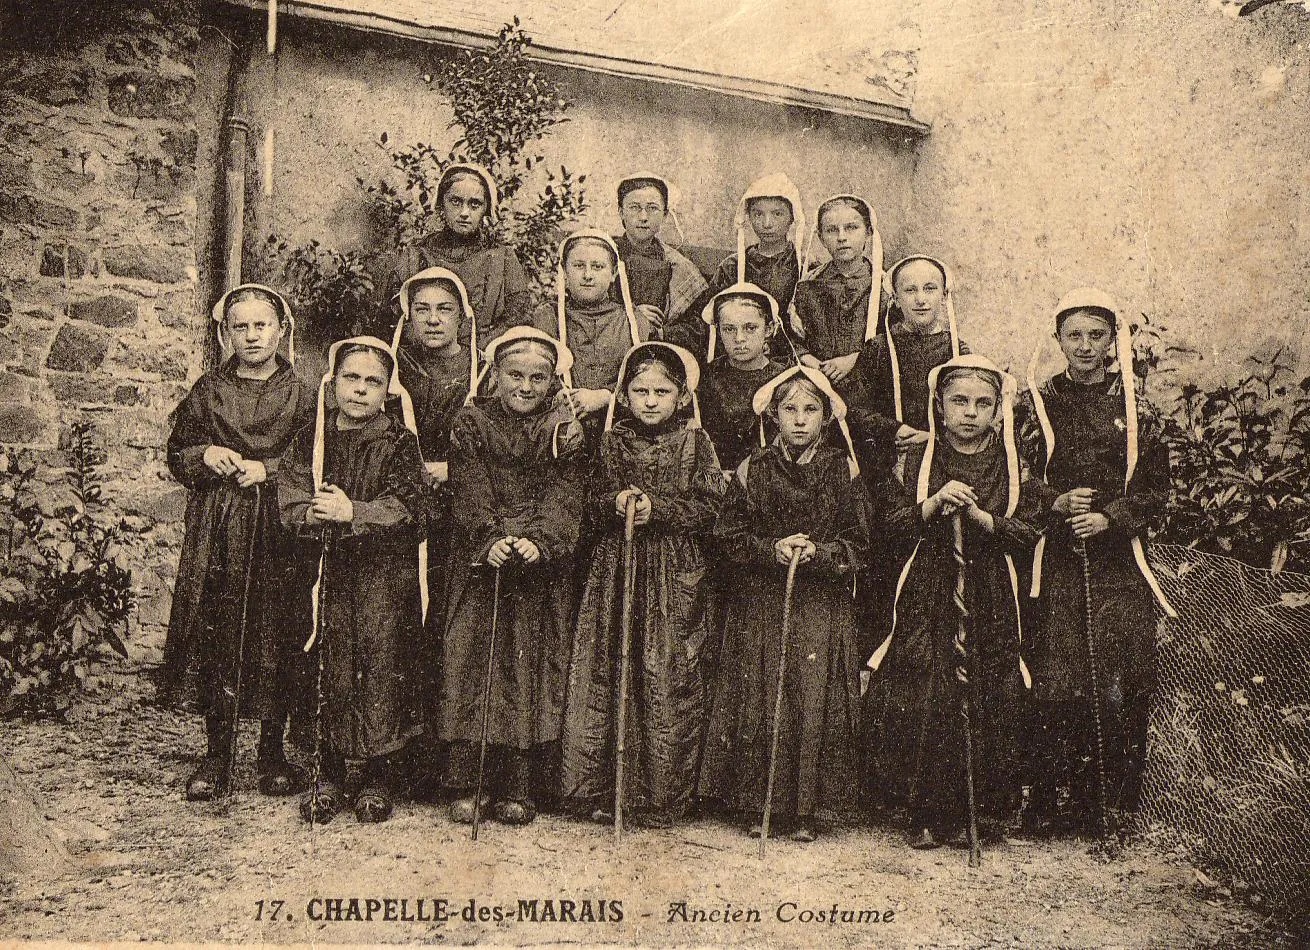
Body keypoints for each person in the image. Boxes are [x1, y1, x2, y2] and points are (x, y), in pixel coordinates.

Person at [864, 356, 1047, 850]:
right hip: (929, 584)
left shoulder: (1013, 463)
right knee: (925, 681)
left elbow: (1030, 528)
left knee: (986, 682)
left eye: (982, 404)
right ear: (940, 409)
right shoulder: (918, 459)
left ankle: (976, 809)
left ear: (998, 411)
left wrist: (987, 521)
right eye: (959, 402)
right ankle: (923, 807)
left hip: (988, 587)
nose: (970, 412)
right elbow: (888, 524)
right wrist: (931, 505)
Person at [1018, 288, 1176, 836]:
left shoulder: (1137, 407)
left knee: (1119, 680)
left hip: (1118, 563)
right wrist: (1053, 503)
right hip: (1057, 558)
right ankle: (1047, 800)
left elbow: (1160, 489)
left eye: (1096, 335)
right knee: (1055, 679)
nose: (1085, 347)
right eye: (1074, 336)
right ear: (1058, 339)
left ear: (1114, 340)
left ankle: (1110, 805)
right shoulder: (1035, 403)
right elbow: (1016, 473)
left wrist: (1113, 517)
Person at [699, 365, 872, 843]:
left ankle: (807, 809)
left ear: (826, 418)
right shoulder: (752, 467)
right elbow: (728, 535)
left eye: (810, 410)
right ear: (773, 415)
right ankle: (761, 802)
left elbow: (859, 542)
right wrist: (768, 548)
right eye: (789, 410)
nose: (799, 420)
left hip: (820, 604)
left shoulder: (843, 467)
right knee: (762, 694)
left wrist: (820, 552)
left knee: (811, 696)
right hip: (762, 601)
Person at [560, 342, 725, 827]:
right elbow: (586, 503)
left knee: (665, 672)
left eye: (662, 391)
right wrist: (615, 502)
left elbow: (713, 508)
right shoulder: (610, 441)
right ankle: (600, 790)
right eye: (640, 391)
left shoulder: (699, 444)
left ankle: (661, 795)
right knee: (609, 668)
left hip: (675, 570)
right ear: (624, 394)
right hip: (618, 568)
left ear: (681, 396)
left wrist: (662, 510)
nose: (651, 401)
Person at [161, 284, 314, 801]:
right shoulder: (207, 389)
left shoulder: (303, 393)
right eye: (240, 327)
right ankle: (217, 753)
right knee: (217, 628)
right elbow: (178, 449)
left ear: (280, 330)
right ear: (224, 333)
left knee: (279, 627)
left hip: (278, 529)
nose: (251, 336)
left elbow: (311, 460)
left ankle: (272, 754)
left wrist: (267, 469)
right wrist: (205, 455)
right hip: (218, 527)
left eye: (261, 326)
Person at [438, 326, 585, 826]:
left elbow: (566, 494)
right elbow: (468, 486)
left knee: (529, 671)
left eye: (537, 378)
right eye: (514, 375)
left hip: (537, 571)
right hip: (481, 564)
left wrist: (539, 542)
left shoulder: (564, 432)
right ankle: (467, 779)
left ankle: (519, 783)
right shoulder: (471, 422)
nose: (525, 387)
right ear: (495, 375)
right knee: (471, 663)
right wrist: (489, 537)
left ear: (552, 382)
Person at [280, 337, 427, 823]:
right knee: (328, 660)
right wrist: (309, 513)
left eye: (372, 382)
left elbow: (409, 506)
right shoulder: (314, 438)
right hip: (328, 569)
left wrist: (354, 512)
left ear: (388, 390)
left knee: (382, 662)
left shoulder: (400, 442)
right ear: (332, 383)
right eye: (351, 378)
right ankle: (328, 771)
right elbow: (293, 486)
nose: (360, 390)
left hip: (383, 575)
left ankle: (378, 774)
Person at [390, 267, 481, 791]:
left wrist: (453, 466)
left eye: (443, 309)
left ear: (461, 316)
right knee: (405, 617)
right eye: (421, 309)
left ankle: (448, 753)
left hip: (459, 506)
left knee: (451, 619)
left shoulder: (478, 369)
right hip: (403, 501)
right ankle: (401, 753)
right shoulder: (392, 368)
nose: (432, 319)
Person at [388, 163, 531, 348]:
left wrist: (473, 353)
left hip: (483, 360)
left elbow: (518, 320)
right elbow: (394, 319)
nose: (464, 213)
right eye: (456, 202)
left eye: (474, 204)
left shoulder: (503, 258)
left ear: (486, 209)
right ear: (441, 203)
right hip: (422, 359)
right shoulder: (415, 255)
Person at [847, 255, 964, 479]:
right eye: (910, 290)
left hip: (943, 457)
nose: (921, 299)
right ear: (896, 299)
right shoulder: (879, 349)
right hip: (887, 457)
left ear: (944, 296)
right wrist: (894, 429)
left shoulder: (958, 353)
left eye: (929, 289)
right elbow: (855, 406)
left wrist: (932, 437)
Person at [675, 173, 806, 359]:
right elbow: (703, 320)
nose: (767, 224)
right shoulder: (732, 267)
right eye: (758, 214)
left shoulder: (805, 268)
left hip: (789, 358)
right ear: (748, 216)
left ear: (792, 217)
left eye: (777, 214)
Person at [791, 194, 885, 395]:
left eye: (851, 228)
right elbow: (792, 336)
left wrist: (855, 359)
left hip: (870, 386)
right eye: (832, 230)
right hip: (819, 382)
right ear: (821, 238)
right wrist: (808, 359)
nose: (842, 237)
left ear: (868, 231)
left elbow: (896, 337)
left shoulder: (884, 287)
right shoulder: (808, 285)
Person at [696, 283, 789, 475]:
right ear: (719, 331)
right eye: (729, 329)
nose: (739, 338)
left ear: (769, 329)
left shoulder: (784, 378)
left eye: (750, 328)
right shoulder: (708, 377)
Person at [612, 174, 708, 340]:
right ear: (621, 212)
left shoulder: (680, 266)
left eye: (652, 208)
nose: (643, 217)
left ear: (664, 215)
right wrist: (631, 316)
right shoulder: (604, 258)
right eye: (634, 207)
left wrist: (661, 333)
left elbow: (699, 326)